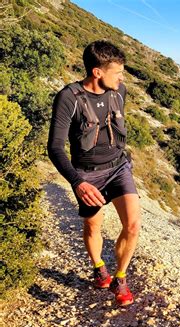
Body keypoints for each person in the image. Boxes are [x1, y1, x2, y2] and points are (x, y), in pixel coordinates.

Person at [47, 40, 141, 307]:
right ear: (97, 72)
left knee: (133, 226)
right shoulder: (69, 98)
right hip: (87, 174)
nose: (122, 78)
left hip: (118, 166)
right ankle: (99, 266)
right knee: (93, 225)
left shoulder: (119, 91)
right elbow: (54, 147)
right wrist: (78, 183)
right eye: (117, 72)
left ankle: (120, 278)